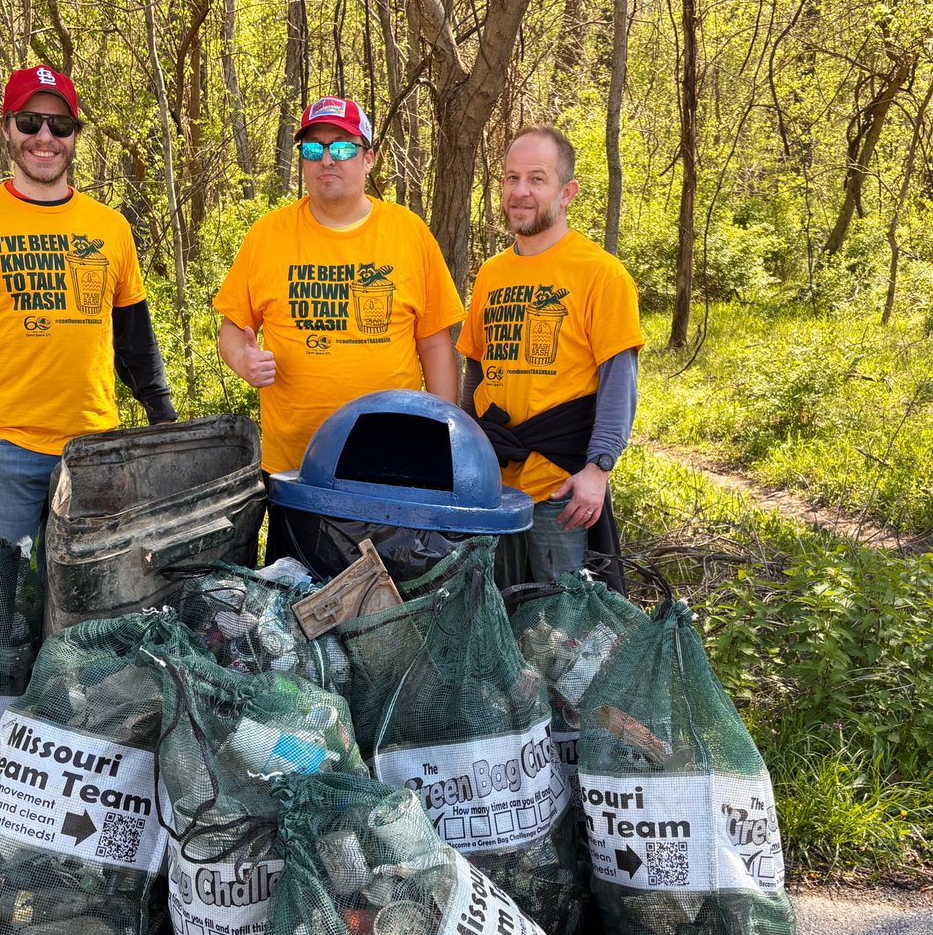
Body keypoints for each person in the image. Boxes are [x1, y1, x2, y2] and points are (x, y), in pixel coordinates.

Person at [0, 65, 176, 549]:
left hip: (95, 449)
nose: (45, 137)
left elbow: (134, 336)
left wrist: (162, 415)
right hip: (5, 451)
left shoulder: (111, 227)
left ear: (75, 135)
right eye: (31, 122)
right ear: (6, 126)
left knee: (91, 601)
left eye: (60, 125)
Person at [214, 96, 464, 489]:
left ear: (369, 159)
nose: (327, 159)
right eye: (313, 148)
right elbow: (231, 330)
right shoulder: (268, 235)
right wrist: (242, 361)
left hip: (395, 458)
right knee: (294, 556)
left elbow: (434, 345)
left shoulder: (409, 233)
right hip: (295, 464)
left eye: (343, 147)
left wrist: (446, 438)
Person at [458, 125, 644, 590]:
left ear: (567, 192)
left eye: (537, 179)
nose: (520, 192)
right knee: (496, 612)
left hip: (560, 487)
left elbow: (619, 379)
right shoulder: (491, 274)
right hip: (493, 486)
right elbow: (475, 371)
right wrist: (466, 453)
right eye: (511, 178)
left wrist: (598, 468)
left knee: (567, 626)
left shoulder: (601, 273)